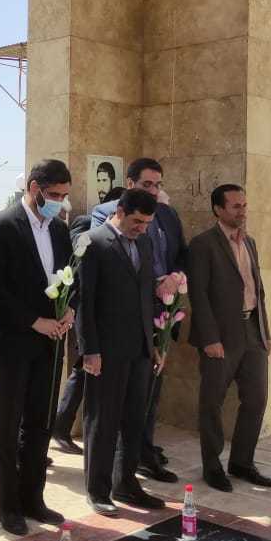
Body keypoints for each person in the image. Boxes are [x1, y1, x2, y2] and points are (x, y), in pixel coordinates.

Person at [0, 160, 73, 536]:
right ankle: (9, 505)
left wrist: (69, 309)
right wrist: (34, 321)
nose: (59, 202)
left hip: (51, 343)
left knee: (40, 423)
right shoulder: (0, 225)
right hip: (14, 342)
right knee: (8, 426)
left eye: (65, 196)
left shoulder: (59, 229)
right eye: (54, 195)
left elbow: (69, 276)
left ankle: (33, 497)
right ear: (35, 188)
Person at [90, 159, 187, 483]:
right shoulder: (100, 225)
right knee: (108, 413)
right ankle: (103, 483)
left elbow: (178, 257)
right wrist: (91, 348)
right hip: (114, 335)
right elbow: (91, 293)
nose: (154, 191)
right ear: (129, 185)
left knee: (142, 405)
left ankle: (134, 469)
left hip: (152, 326)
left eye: (158, 185)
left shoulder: (163, 220)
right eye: (147, 184)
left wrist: (174, 277)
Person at [76, 189, 164, 517]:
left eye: (147, 223)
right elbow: (84, 301)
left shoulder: (144, 242)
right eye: (137, 221)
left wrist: (154, 343)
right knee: (103, 421)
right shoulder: (92, 243)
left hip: (140, 350)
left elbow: (146, 296)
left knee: (134, 420)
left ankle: (125, 483)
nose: (142, 228)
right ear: (121, 211)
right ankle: (97, 491)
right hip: (106, 352)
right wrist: (90, 350)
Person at [188, 184, 271, 494]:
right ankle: (212, 467)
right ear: (218, 209)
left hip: (252, 331)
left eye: (244, 205)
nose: (242, 211)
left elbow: (257, 290)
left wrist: (264, 332)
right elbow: (198, 295)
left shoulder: (249, 242)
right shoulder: (202, 244)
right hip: (220, 336)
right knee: (212, 402)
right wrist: (210, 338)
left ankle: (242, 462)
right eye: (236, 206)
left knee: (257, 399)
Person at [52, 187, 123, 455]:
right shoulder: (85, 223)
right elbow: (75, 262)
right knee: (82, 370)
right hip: (85, 311)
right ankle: (61, 426)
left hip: (107, 318)